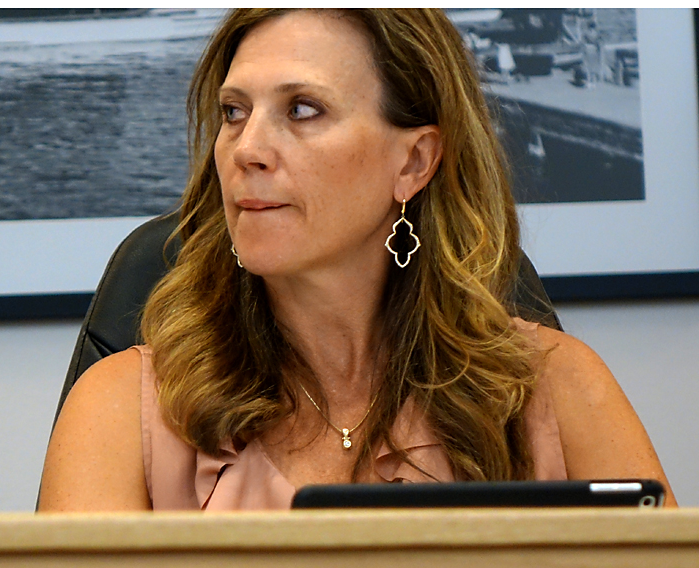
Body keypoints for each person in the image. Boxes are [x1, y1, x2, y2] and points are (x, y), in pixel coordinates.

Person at [38, 9, 676, 511]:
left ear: (414, 162)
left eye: (302, 110)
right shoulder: (120, 412)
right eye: (234, 113)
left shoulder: (561, 388)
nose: (245, 149)